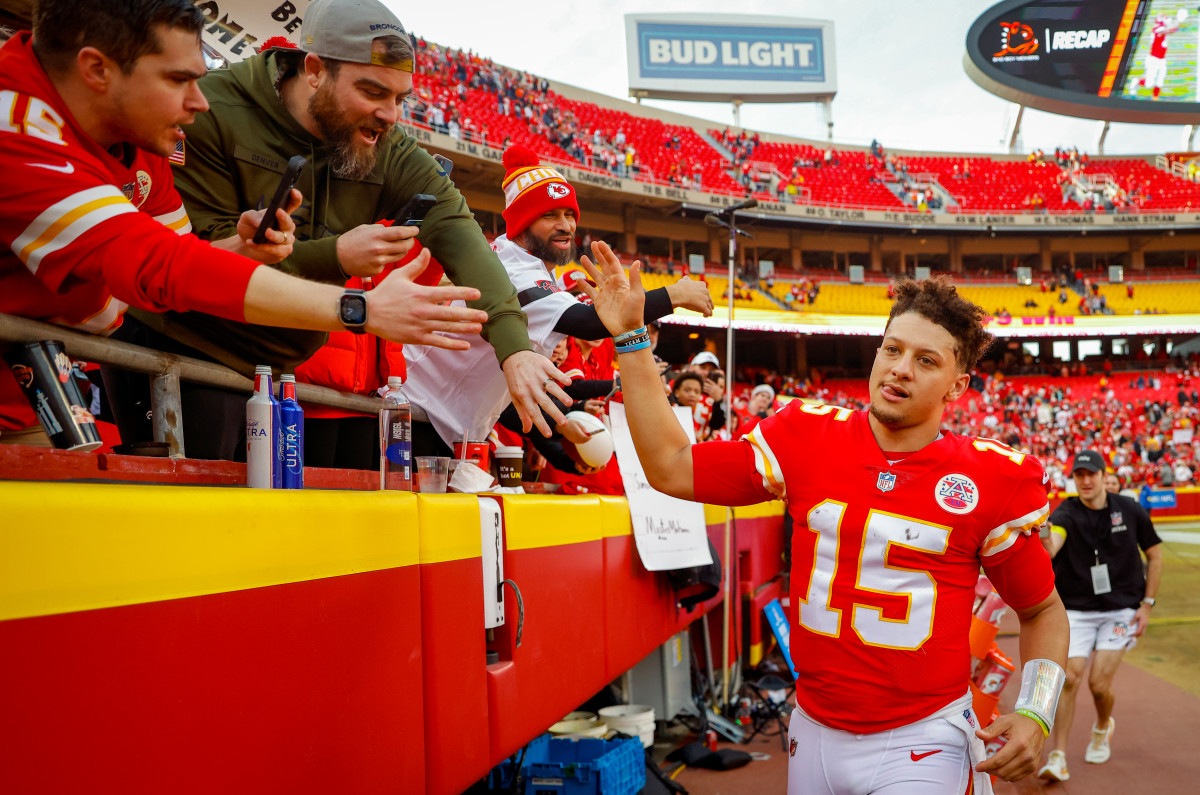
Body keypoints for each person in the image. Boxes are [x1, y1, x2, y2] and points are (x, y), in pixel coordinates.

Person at [579, 264, 1069, 793]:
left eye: (926, 360)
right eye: (893, 349)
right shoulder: (806, 436)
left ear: (958, 385)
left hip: (924, 739)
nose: (901, 368)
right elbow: (671, 467)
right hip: (812, 732)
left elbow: (1041, 608)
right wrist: (630, 340)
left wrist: (1037, 710)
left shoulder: (990, 476)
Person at [0, 0, 485, 447]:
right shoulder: (15, 131)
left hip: (31, 391)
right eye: (177, 80)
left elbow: (185, 254)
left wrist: (241, 246)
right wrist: (358, 308)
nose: (200, 101)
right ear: (96, 70)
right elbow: (164, 266)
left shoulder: (142, 140)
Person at [105, 0, 566, 459]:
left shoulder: (384, 141)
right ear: (314, 69)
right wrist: (336, 256)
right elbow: (189, 261)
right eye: (371, 91)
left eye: (399, 98)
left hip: (278, 373)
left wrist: (515, 349)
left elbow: (456, 227)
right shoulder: (214, 109)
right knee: (192, 523)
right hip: (185, 351)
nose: (390, 115)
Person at [402, 144, 713, 457]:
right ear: (522, 222)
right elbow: (590, 324)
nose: (566, 225)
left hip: (434, 419)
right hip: (416, 416)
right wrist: (674, 295)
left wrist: (560, 433)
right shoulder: (513, 268)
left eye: (569, 214)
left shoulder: (520, 263)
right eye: (549, 215)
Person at [1036, 449, 1162, 783]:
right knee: (1071, 677)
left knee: (1098, 684)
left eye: (1091, 474)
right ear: (1073, 479)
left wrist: (1147, 604)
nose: (1086, 481)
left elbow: (1155, 554)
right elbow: (1051, 548)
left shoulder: (1129, 509)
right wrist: (1043, 526)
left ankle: (1103, 725)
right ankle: (1058, 756)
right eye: (1079, 475)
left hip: (1121, 609)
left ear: (1104, 475)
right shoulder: (1065, 511)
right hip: (1076, 609)